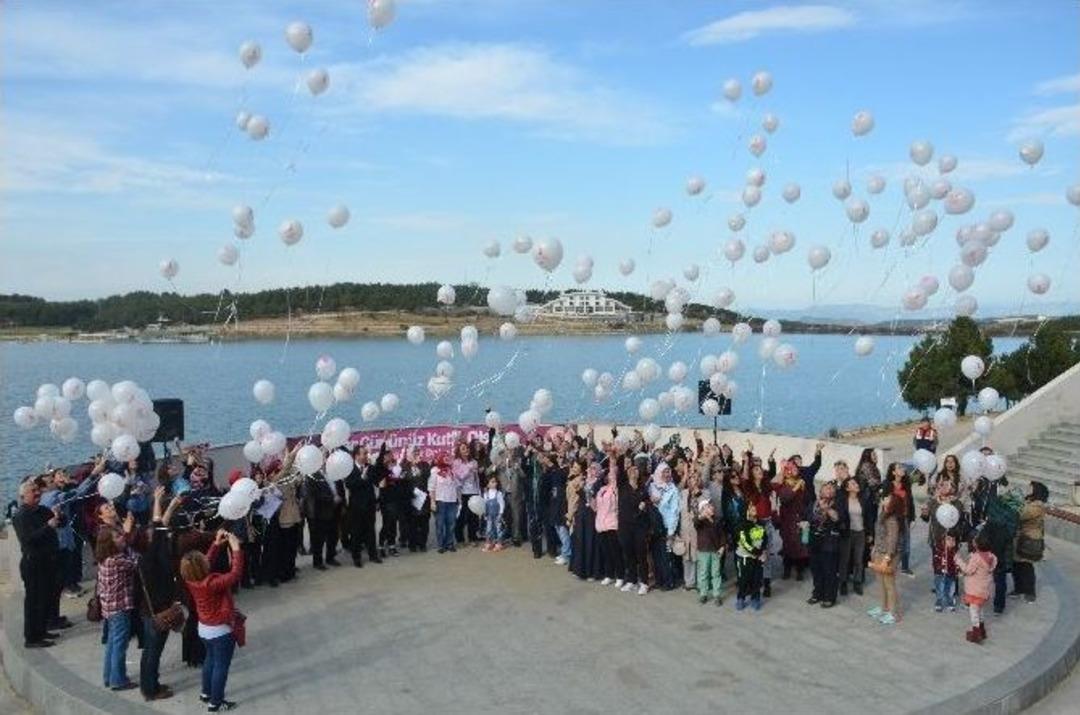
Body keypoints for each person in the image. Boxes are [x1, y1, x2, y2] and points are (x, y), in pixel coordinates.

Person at [182, 530, 244, 712]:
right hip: (221, 630)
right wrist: (236, 549)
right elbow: (235, 574)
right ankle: (215, 703)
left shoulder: (191, 579)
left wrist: (216, 544)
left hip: (204, 628)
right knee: (221, 667)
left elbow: (204, 563)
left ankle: (206, 693)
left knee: (210, 660)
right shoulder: (212, 583)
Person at [138, 487, 184, 701]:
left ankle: (150, 684)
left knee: (150, 651)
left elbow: (159, 528)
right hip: (157, 611)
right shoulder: (149, 560)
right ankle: (151, 689)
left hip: (150, 610)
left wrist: (169, 506)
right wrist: (158, 500)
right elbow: (158, 528)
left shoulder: (147, 556)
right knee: (153, 652)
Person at [12, 479, 61, 648]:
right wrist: (48, 526)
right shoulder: (21, 515)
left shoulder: (42, 510)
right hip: (33, 563)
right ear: (23, 496)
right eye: (33, 491)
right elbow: (27, 539)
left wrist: (58, 515)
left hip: (47, 561)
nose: (37, 493)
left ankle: (42, 630)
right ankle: (31, 638)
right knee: (34, 601)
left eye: (37, 490)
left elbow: (59, 523)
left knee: (46, 597)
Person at [96, 526, 139, 691]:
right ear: (109, 542)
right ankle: (118, 680)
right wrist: (130, 546)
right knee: (120, 645)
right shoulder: (117, 560)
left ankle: (108, 676)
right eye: (117, 536)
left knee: (112, 643)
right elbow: (136, 563)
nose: (122, 537)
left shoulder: (104, 558)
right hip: (120, 608)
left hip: (109, 608)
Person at [920, 479, 968, 612]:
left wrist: (952, 536)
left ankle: (950, 597)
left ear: (953, 488)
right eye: (940, 485)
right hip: (936, 541)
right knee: (938, 571)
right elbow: (926, 519)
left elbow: (960, 523)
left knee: (951, 571)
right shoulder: (933, 502)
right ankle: (940, 597)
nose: (942, 486)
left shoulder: (957, 504)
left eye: (946, 484)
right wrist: (924, 513)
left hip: (952, 543)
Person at [956, 532, 998, 644]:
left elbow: (968, 570)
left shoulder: (976, 557)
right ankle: (982, 630)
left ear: (978, 545)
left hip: (974, 589)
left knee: (974, 611)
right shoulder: (992, 557)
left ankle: (976, 633)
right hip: (985, 589)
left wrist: (959, 561)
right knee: (981, 609)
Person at [616, 459, 649, 595]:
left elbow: (647, 502)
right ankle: (632, 580)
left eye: (636, 469)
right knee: (628, 553)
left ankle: (644, 582)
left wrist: (644, 505)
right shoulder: (622, 486)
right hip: (624, 526)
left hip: (639, 526)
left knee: (641, 554)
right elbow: (618, 470)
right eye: (631, 469)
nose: (634, 471)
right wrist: (620, 455)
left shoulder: (642, 488)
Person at [868, 491, 902, 626]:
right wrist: (875, 548)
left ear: (892, 503)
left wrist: (887, 557)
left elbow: (892, 540)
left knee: (889, 583)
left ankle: (893, 613)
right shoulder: (883, 514)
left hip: (888, 555)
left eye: (888, 498)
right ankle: (884, 607)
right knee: (881, 582)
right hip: (879, 551)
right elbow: (879, 534)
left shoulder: (892, 519)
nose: (885, 498)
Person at [345, 445, 382, 566]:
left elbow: (376, 480)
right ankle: (356, 558)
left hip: (369, 505)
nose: (366, 456)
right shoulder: (349, 469)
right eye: (364, 453)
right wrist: (362, 478)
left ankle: (373, 555)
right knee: (356, 532)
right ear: (356, 456)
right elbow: (349, 484)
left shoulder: (370, 467)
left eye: (366, 453)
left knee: (370, 530)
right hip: (356, 507)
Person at [836, 476, 872, 597]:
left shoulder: (863, 500)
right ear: (847, 488)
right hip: (847, 532)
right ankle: (843, 582)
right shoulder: (842, 500)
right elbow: (840, 517)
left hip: (860, 532)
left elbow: (868, 518)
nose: (856, 484)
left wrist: (870, 533)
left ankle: (857, 582)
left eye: (856, 483)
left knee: (858, 559)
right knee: (845, 559)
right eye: (853, 484)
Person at [807, 482, 841, 608]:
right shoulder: (814, 503)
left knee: (829, 570)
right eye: (826, 488)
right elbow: (808, 517)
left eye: (831, 488)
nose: (829, 490)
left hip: (829, 541)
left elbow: (837, 518)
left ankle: (829, 597)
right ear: (820, 491)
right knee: (816, 569)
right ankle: (818, 593)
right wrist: (804, 524)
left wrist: (826, 509)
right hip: (814, 540)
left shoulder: (837, 504)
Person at [1012, 481, 1047, 602]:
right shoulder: (1028, 502)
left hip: (1029, 540)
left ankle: (1030, 592)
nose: (1027, 489)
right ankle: (1018, 589)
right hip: (1020, 538)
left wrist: (1014, 504)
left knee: (1026, 566)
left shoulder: (1038, 506)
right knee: (1016, 565)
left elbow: (1021, 514)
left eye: (1030, 487)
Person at [776, 461, 810, 581]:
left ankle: (800, 571)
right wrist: (796, 487)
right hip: (787, 520)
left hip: (799, 519)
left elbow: (806, 500)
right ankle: (787, 570)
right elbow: (785, 498)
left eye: (795, 468)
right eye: (790, 468)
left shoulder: (801, 483)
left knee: (800, 546)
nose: (792, 470)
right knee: (787, 546)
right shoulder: (783, 483)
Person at [302, 471, 342, 570]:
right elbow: (314, 494)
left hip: (335, 509)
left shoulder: (333, 472)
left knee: (333, 535)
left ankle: (330, 557)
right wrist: (331, 499)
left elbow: (339, 488)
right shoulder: (312, 476)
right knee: (319, 539)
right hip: (320, 511)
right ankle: (317, 562)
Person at [735, 503, 768, 611]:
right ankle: (741, 597)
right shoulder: (742, 525)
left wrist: (763, 551)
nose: (754, 509)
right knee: (744, 579)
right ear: (746, 511)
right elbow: (745, 542)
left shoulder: (761, 523)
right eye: (750, 508)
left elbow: (765, 538)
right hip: (746, 556)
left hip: (758, 558)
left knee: (757, 579)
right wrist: (757, 553)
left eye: (754, 507)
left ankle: (755, 598)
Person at [594, 463, 622, 587]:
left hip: (612, 523)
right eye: (608, 474)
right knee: (606, 552)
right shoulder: (602, 489)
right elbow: (596, 507)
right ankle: (609, 575)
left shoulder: (616, 489)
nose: (609, 476)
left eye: (612, 474)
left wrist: (612, 460)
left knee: (615, 551)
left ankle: (620, 576)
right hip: (601, 524)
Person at [694, 498, 726, 606]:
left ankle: (717, 595)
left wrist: (722, 547)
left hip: (715, 550)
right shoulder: (700, 521)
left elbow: (722, 535)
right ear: (703, 509)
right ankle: (703, 594)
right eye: (708, 506)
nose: (712, 507)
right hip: (703, 551)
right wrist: (702, 516)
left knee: (716, 573)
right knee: (703, 573)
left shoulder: (717, 520)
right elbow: (696, 522)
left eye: (711, 506)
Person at [428, 457, 461, 554]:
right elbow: (431, 488)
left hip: (452, 501)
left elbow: (457, 486)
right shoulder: (435, 471)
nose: (447, 460)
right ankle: (441, 545)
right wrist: (432, 502)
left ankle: (450, 543)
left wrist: (459, 500)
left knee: (451, 524)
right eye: (445, 459)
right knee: (440, 524)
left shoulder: (452, 472)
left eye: (448, 459)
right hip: (440, 501)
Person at [453, 442, 481, 545]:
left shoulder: (474, 461)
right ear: (459, 451)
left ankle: (472, 537)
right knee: (462, 516)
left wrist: (478, 491)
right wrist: (468, 469)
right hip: (463, 492)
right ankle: (460, 538)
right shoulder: (456, 462)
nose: (466, 450)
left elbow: (476, 478)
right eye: (463, 449)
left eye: (467, 448)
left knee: (473, 516)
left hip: (474, 491)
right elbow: (459, 478)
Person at [481, 475, 506, 552]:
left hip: (497, 515)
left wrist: (501, 513)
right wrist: (484, 513)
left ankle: (499, 543)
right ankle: (489, 543)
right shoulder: (486, 494)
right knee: (488, 529)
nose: (494, 483)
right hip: (489, 515)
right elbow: (484, 505)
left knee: (498, 529)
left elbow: (502, 504)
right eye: (492, 482)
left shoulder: (499, 493)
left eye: (495, 482)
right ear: (488, 484)